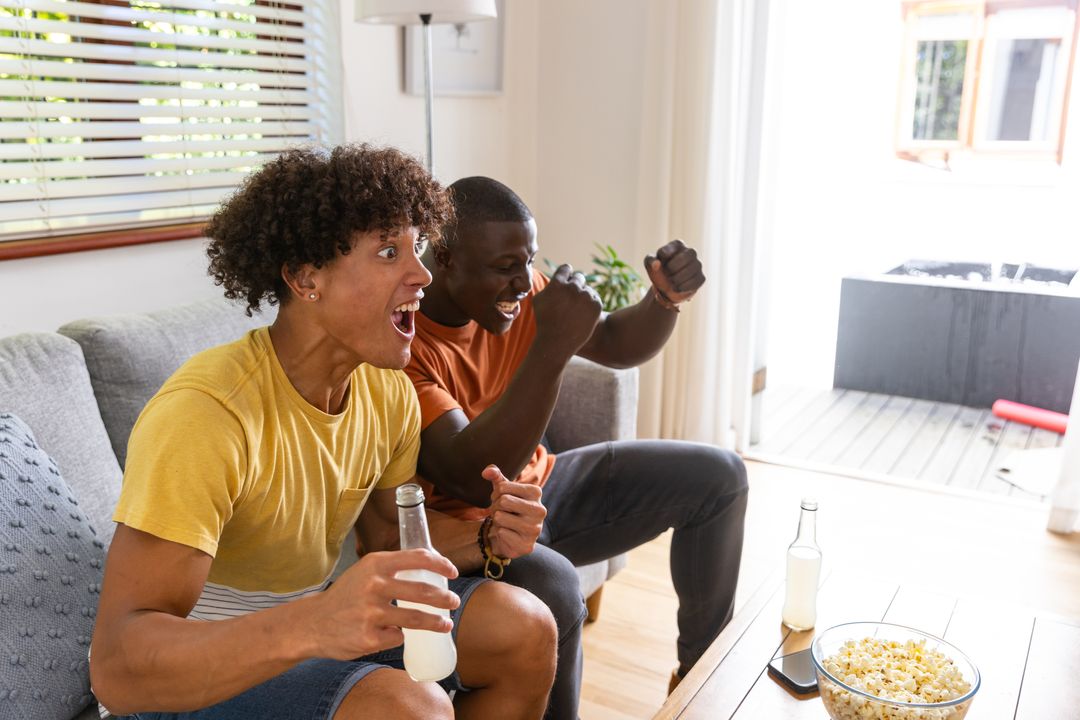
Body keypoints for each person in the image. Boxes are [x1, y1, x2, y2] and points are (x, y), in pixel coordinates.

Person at [88, 148, 558, 720]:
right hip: (188, 676)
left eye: (418, 248)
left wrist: (488, 536)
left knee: (523, 629)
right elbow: (117, 670)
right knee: (410, 708)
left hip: (305, 632)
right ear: (306, 277)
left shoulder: (387, 394)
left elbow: (390, 543)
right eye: (390, 252)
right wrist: (315, 622)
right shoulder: (208, 415)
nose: (423, 274)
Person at [405, 176, 750, 719]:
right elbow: (467, 476)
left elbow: (614, 342)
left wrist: (663, 299)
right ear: (445, 259)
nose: (523, 282)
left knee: (720, 477)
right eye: (504, 268)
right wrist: (551, 346)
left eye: (529, 262)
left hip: (549, 489)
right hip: (481, 530)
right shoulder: (405, 344)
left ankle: (698, 685)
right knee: (553, 586)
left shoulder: (517, 291)